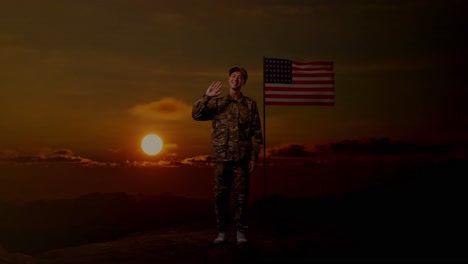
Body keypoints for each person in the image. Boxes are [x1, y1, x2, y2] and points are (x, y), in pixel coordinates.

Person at [192, 66, 263, 245]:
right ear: (229, 79)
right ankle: (222, 231)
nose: (235, 79)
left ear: (243, 81)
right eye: (233, 76)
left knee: (241, 197)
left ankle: (240, 232)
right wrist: (207, 96)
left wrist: (254, 157)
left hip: (241, 160)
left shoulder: (250, 105)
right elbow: (196, 115)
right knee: (220, 197)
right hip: (221, 159)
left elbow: (256, 134)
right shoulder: (217, 103)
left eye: (239, 77)